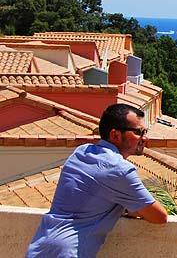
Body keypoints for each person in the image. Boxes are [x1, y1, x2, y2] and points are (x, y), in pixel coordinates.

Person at [26, 104, 168, 258]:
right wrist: (128, 207)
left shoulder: (80, 152)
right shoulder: (120, 170)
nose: (145, 138)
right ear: (115, 135)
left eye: (145, 132)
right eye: (138, 132)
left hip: (39, 247)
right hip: (70, 252)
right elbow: (159, 217)